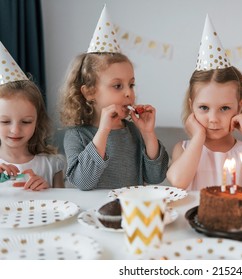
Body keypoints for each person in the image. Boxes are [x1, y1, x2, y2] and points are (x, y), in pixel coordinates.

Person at [59, 6, 169, 190]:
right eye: (118, 86)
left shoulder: (134, 132)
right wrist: (103, 131)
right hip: (93, 215)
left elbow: (156, 177)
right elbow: (83, 182)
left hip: (129, 213)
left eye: (131, 84)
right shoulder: (77, 135)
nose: (129, 93)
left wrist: (148, 134)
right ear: (89, 92)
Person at [167, 15, 242, 190]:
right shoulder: (183, 148)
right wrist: (198, 137)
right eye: (204, 108)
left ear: (239, 107)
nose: (213, 118)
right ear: (191, 106)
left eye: (224, 108)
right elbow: (178, 181)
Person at [0, 42, 65, 190]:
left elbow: (63, 205)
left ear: (37, 121)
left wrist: (48, 190)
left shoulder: (52, 165)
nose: (15, 130)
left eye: (26, 121)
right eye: (4, 121)